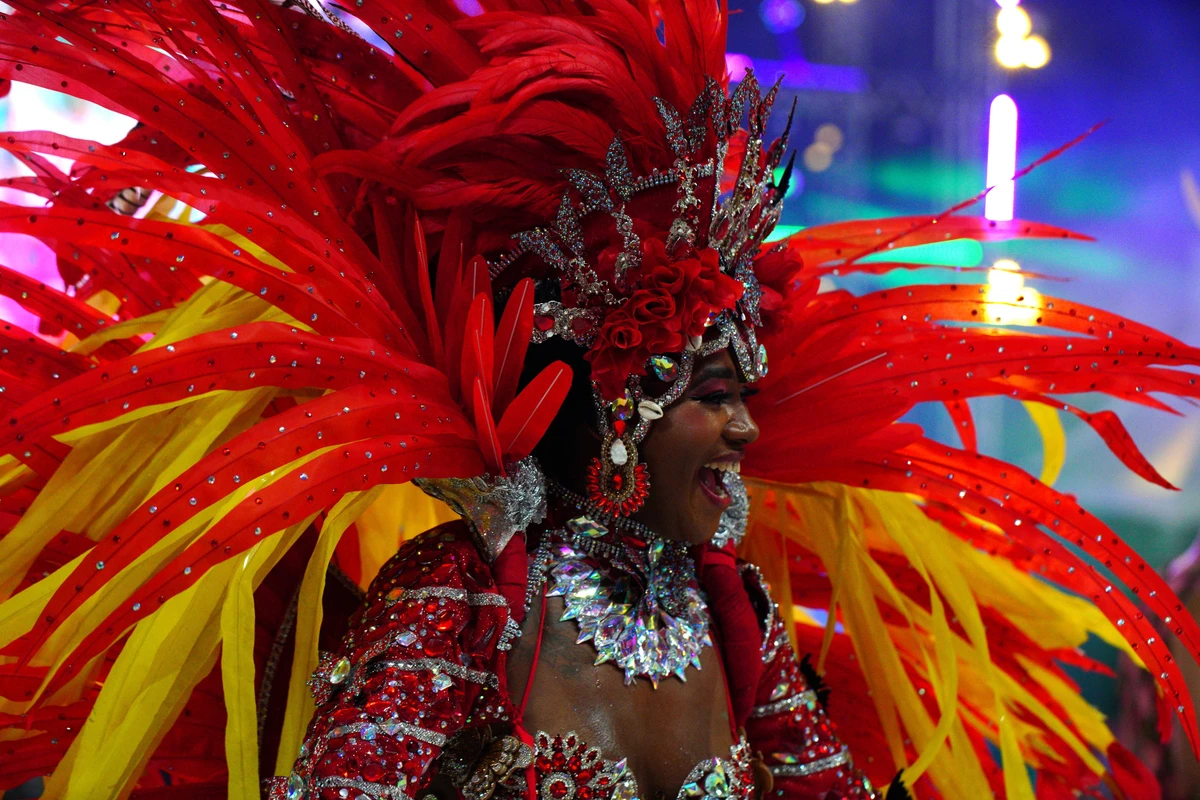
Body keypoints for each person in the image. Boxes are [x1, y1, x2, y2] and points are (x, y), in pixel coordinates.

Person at [0, 2, 1197, 799]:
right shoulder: (466, 598)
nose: (745, 428)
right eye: (716, 395)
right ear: (620, 403)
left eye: (747, 395)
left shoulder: (736, 612)